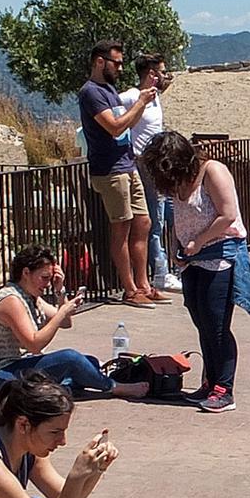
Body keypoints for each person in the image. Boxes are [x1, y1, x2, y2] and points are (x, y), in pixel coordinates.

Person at [145, 131, 250, 414]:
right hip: (192, 258)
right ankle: (210, 382)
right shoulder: (178, 183)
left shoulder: (212, 171)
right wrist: (176, 249)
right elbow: (179, 219)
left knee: (217, 326)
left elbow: (228, 214)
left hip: (219, 256)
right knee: (202, 322)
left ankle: (224, 389)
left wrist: (199, 241)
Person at [0, 245, 149, 398]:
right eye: (44, 278)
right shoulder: (11, 300)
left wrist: (60, 292)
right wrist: (63, 311)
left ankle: (63, 388)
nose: (47, 284)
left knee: (89, 362)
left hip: (19, 365)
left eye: (50, 279)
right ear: (26, 273)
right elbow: (34, 345)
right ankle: (114, 387)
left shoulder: (29, 295)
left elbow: (66, 323)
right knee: (71, 358)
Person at [78, 41, 164, 307]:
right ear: (100, 62)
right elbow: (114, 127)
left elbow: (128, 123)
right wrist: (140, 102)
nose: (121, 68)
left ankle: (144, 284)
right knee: (122, 228)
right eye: (117, 63)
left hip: (127, 164)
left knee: (143, 223)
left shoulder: (110, 90)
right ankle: (129, 289)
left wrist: (143, 101)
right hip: (110, 169)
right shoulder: (91, 93)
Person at [119, 53, 180, 294]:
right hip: (145, 163)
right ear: (152, 74)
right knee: (154, 220)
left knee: (168, 216)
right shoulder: (132, 96)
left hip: (160, 162)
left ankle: (173, 265)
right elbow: (114, 112)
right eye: (162, 72)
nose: (165, 76)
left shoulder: (154, 98)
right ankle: (161, 272)